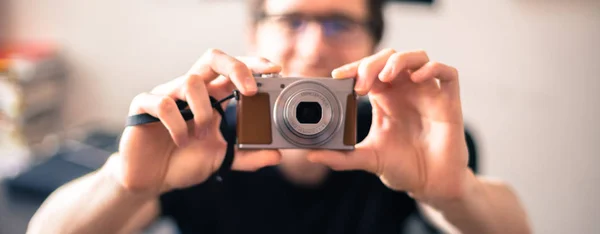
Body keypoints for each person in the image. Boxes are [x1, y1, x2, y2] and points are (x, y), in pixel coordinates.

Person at [27, 0, 532, 233]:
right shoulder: (197, 139)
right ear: (255, 36)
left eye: (339, 23)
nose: (313, 47)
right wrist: (125, 182)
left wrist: (453, 191)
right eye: (292, 20)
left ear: (372, 44)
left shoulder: (410, 139)